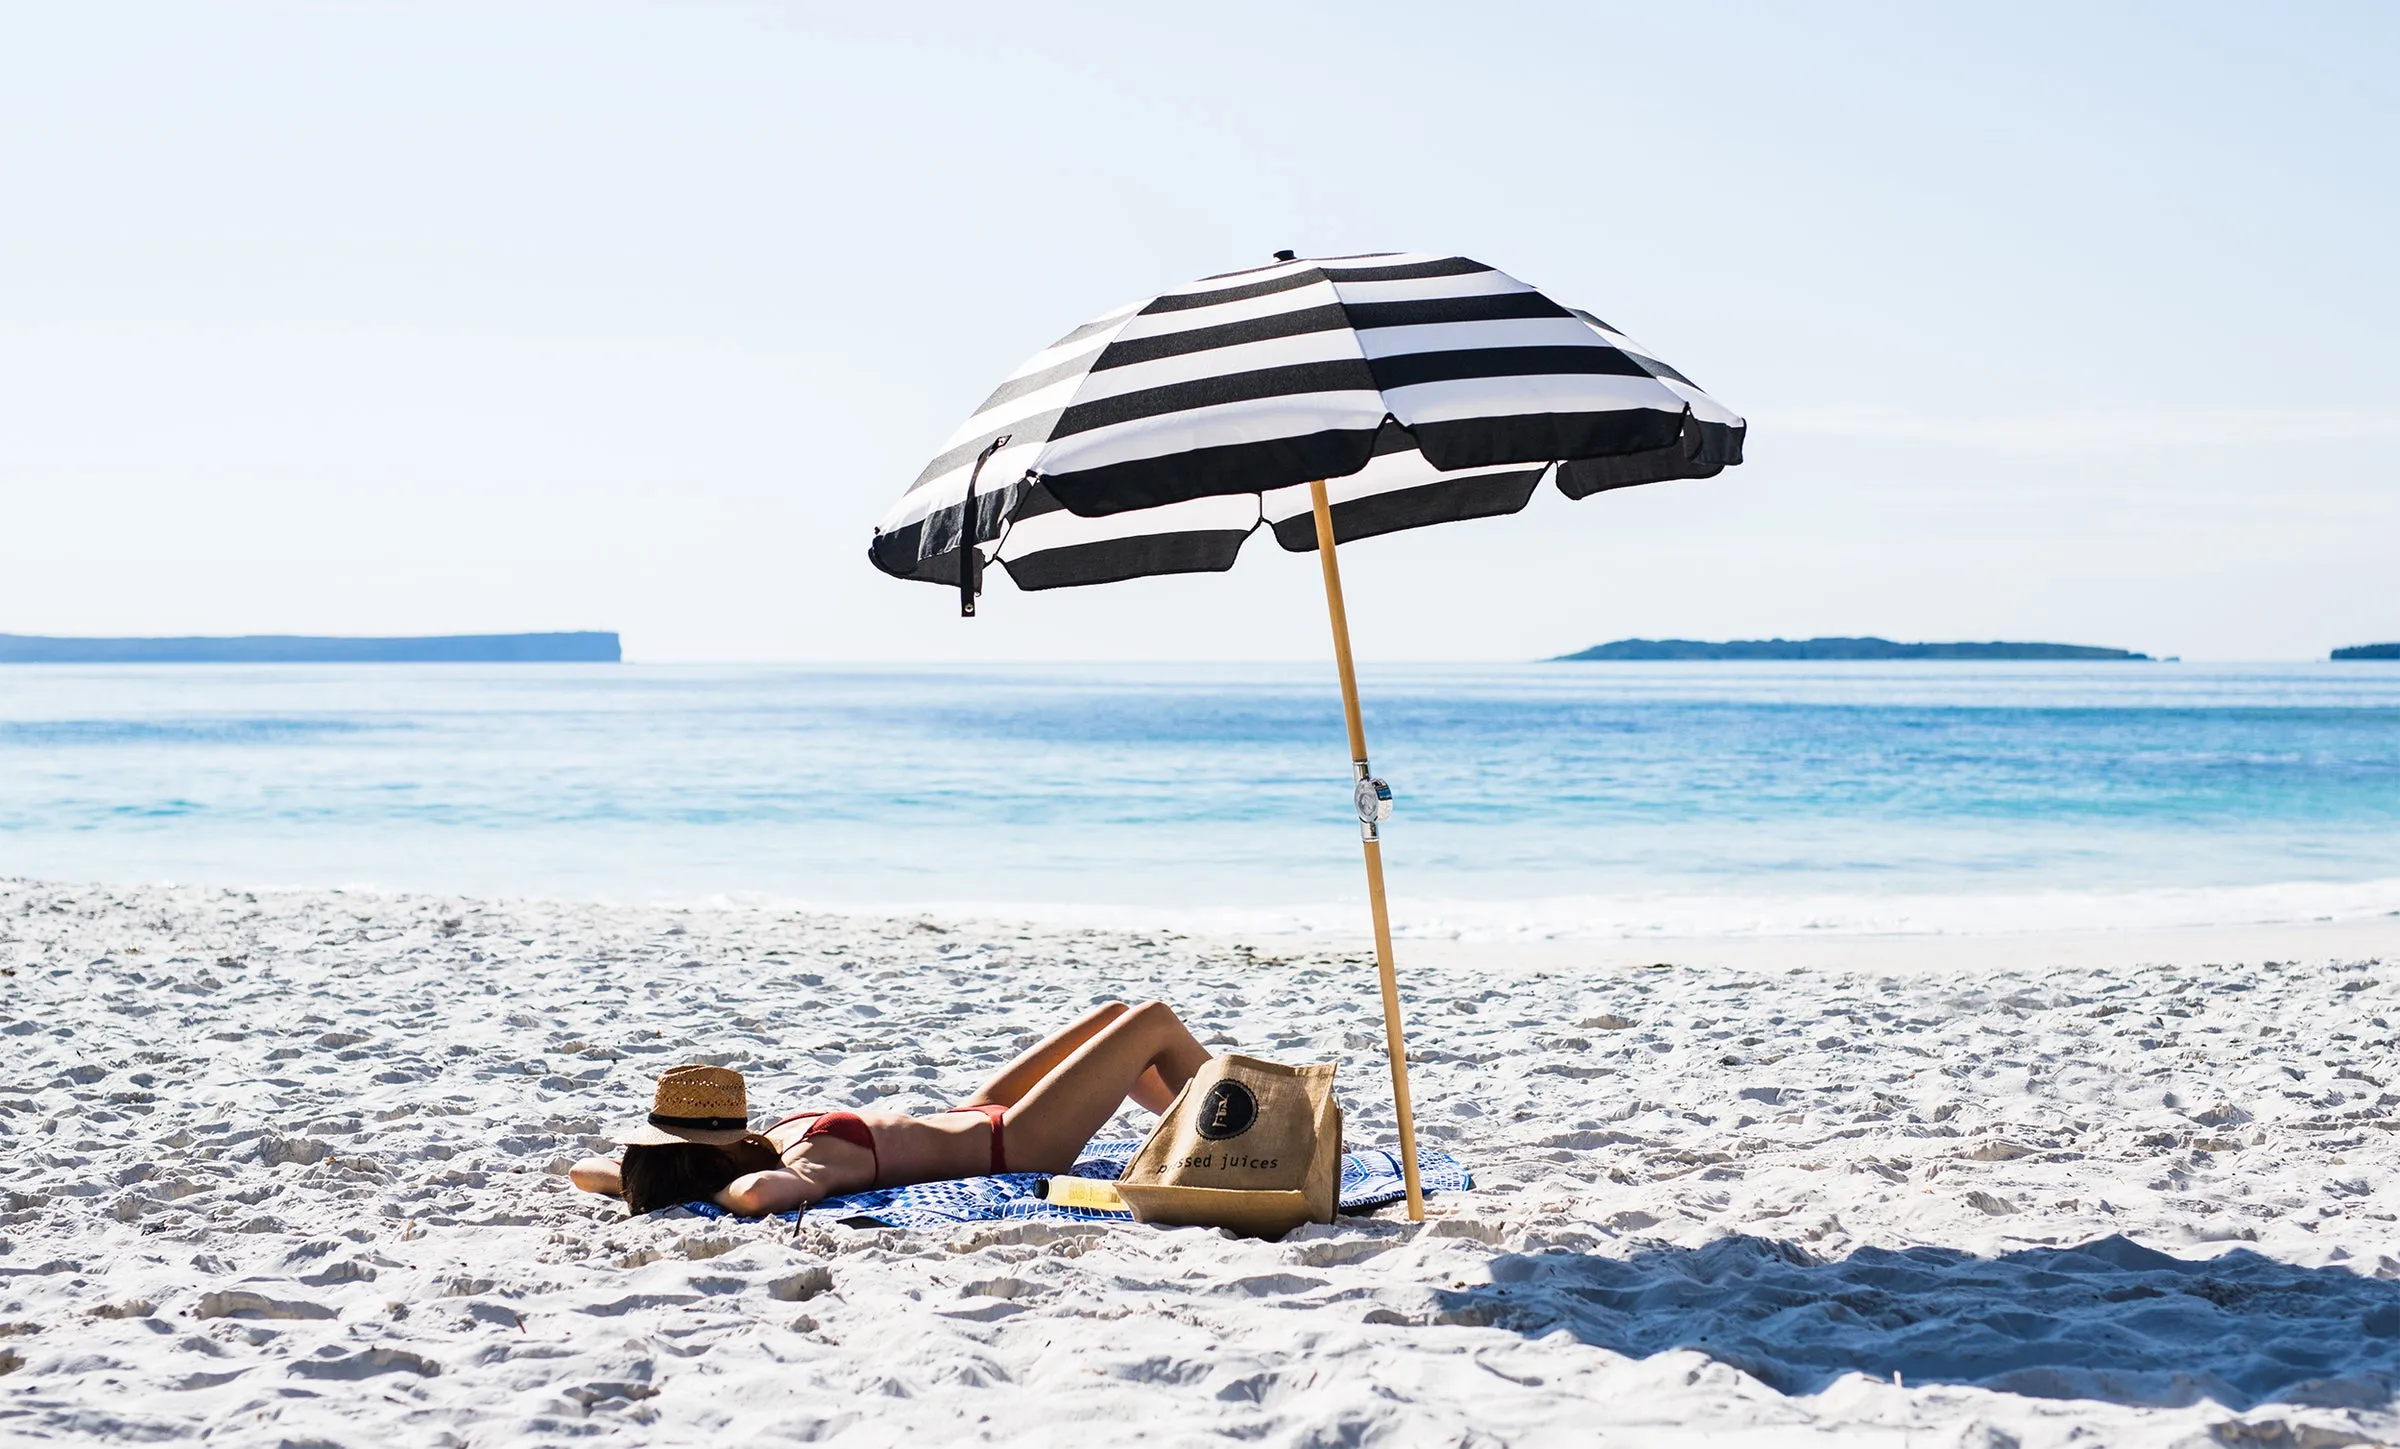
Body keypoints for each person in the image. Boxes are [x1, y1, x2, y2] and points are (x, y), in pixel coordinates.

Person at [569, 999, 1210, 1216]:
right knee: (1151, 1023)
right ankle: (1254, 1123)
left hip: (977, 1113)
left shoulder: (761, 1145)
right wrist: (711, 1185)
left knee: (1115, 1018)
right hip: (1013, 1143)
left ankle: (1207, 1128)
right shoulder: (803, 1167)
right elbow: (759, 1197)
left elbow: (585, 1171)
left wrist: (655, 1177)